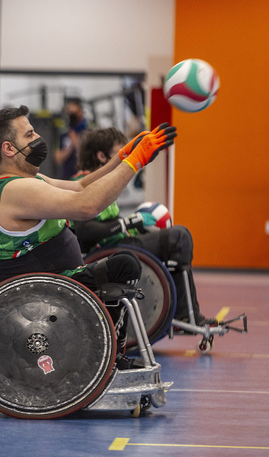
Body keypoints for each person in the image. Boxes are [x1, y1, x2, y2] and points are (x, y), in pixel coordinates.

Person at [0, 105, 176, 366]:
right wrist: (135, 162)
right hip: (39, 294)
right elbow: (87, 206)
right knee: (123, 267)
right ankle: (107, 361)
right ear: (9, 149)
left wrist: (122, 157)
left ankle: (107, 357)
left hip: (52, 284)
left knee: (123, 265)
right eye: (29, 134)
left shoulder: (25, 182)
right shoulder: (18, 189)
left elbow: (82, 185)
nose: (37, 138)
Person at [73, 126, 215, 326]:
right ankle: (183, 312)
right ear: (102, 156)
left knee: (175, 240)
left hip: (115, 244)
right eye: (120, 154)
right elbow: (84, 232)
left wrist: (130, 224)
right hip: (105, 252)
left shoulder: (98, 182)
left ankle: (182, 310)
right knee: (178, 237)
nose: (124, 161)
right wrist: (128, 222)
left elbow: (105, 222)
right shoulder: (83, 183)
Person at [53, 97, 89, 180]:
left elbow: (89, 156)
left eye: (75, 113)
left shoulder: (89, 132)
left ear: (80, 112)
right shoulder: (63, 134)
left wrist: (75, 142)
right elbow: (57, 159)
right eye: (70, 114)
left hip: (84, 177)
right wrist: (69, 148)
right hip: (67, 178)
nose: (72, 117)